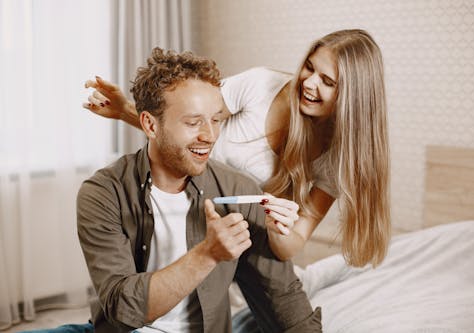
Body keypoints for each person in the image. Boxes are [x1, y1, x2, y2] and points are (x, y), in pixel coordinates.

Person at [84, 29, 391, 268]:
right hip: (182, 209)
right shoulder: (261, 85)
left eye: (327, 81)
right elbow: (184, 132)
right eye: (309, 68)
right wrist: (126, 109)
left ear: (352, 97)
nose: (309, 83)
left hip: (239, 233)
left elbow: (292, 244)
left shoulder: (336, 159)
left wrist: (279, 227)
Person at [77, 48, 321, 332]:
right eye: (193, 122)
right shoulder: (104, 193)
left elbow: (282, 294)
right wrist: (207, 254)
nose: (210, 135)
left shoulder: (238, 190)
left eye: (216, 119)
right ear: (149, 124)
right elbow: (122, 310)